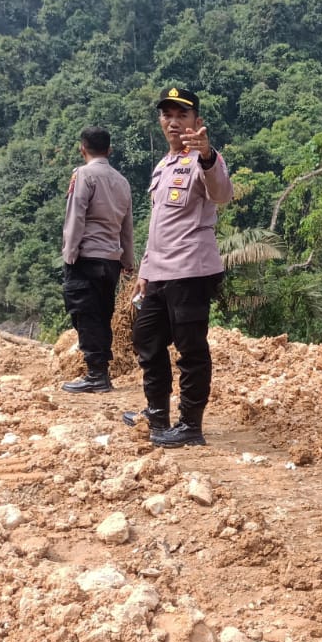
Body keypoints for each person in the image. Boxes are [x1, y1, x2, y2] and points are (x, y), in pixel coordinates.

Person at [122, 87, 233, 446]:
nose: (173, 122)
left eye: (182, 115)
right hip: (158, 273)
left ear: (197, 122)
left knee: (190, 348)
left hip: (191, 272)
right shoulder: (162, 166)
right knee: (146, 341)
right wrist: (144, 271)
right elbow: (158, 226)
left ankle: (190, 425)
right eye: (167, 115)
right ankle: (156, 415)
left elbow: (221, 194)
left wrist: (207, 155)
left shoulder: (204, 160)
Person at [60, 126, 135, 394]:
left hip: (86, 258)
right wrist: (128, 260)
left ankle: (96, 376)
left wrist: (69, 256)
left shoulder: (83, 175)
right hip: (111, 261)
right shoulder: (122, 182)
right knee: (102, 315)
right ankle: (100, 373)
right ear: (109, 150)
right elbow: (127, 226)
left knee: (85, 315)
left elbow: (76, 216)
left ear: (83, 148)